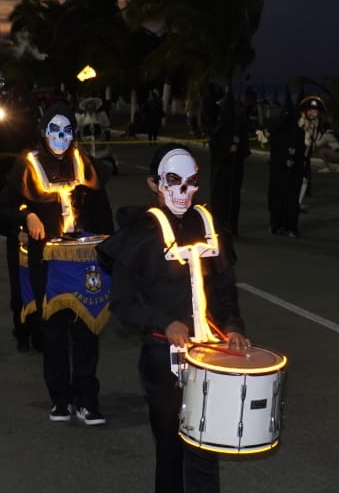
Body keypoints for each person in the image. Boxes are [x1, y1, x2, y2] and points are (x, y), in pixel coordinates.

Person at [96, 143, 250, 493]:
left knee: (205, 446)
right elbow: (122, 303)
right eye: (173, 181)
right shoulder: (139, 234)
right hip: (160, 358)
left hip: (210, 357)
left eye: (191, 181)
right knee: (170, 448)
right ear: (155, 184)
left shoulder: (209, 226)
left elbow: (225, 290)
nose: (184, 191)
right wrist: (164, 322)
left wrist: (233, 326)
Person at [0, 103, 114, 423]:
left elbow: (102, 209)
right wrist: (25, 217)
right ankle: (60, 398)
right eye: (54, 131)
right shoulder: (27, 164)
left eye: (67, 131)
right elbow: (0, 208)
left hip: (83, 260)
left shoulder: (83, 162)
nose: (61, 137)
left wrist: (109, 251)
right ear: (43, 132)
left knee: (87, 331)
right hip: (46, 261)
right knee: (54, 333)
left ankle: (87, 399)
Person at [0, 87, 40, 351]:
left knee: (42, 284)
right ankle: (23, 331)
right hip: (17, 231)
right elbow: (2, 200)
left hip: (43, 233)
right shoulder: (4, 135)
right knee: (20, 285)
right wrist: (13, 227)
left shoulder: (40, 153)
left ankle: (38, 330)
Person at [208, 92, 251, 236]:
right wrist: (228, 150)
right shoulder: (219, 130)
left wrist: (238, 146)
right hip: (221, 172)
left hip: (234, 171)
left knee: (233, 200)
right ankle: (218, 228)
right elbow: (215, 149)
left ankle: (231, 227)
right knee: (220, 200)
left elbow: (245, 151)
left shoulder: (238, 129)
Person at [267, 93, 307, 237]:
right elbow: (275, 151)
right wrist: (285, 158)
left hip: (293, 173)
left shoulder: (298, 132)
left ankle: (290, 226)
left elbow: (302, 151)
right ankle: (276, 224)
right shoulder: (277, 131)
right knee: (278, 199)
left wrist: (294, 155)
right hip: (279, 171)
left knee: (291, 200)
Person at [297, 96, 326, 212]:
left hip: (305, 155)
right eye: (311, 110)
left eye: (315, 111)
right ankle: (295, 203)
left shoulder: (316, 123)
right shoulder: (300, 122)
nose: (313, 113)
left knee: (304, 179)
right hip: (298, 154)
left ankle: (298, 203)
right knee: (301, 179)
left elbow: (314, 141)